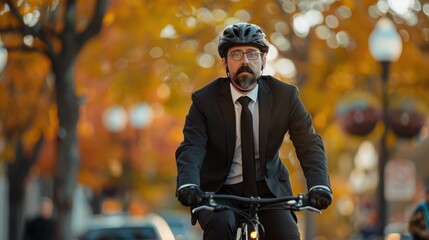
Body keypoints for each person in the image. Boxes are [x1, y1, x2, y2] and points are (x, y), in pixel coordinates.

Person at [175, 22, 332, 240]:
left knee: (288, 236)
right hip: (220, 191)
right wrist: (188, 183)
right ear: (225, 62)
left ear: (264, 60)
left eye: (252, 53)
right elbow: (192, 147)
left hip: (269, 190)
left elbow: (309, 144)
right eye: (236, 54)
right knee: (221, 227)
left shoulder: (285, 97)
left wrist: (320, 185)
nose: (245, 61)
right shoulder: (204, 101)